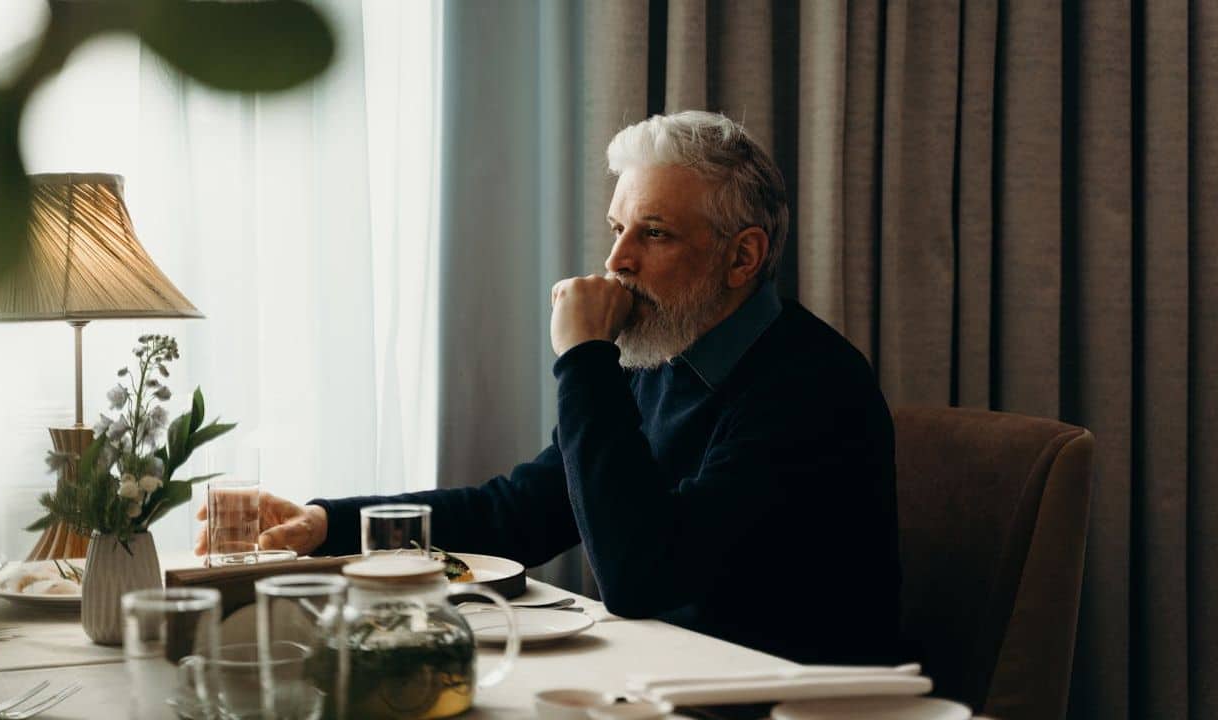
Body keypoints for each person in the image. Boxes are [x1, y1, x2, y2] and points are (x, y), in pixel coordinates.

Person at [197, 111, 904, 664]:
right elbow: (523, 511)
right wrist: (327, 524)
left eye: (653, 234)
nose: (616, 261)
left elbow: (642, 579)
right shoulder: (662, 354)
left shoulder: (812, 387)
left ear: (742, 256)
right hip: (670, 677)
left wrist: (585, 358)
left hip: (785, 696)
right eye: (617, 228)